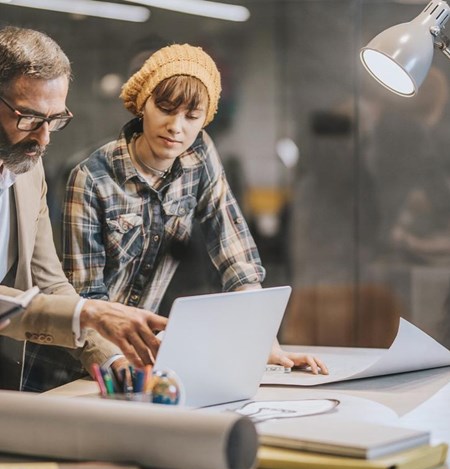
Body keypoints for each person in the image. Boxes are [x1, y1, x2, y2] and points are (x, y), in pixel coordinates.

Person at [63, 43, 328, 374]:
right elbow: (85, 297)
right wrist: (114, 361)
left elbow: (234, 254)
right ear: (142, 104)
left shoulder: (199, 154)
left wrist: (266, 346)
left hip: (136, 358)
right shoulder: (91, 177)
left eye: (191, 116)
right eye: (165, 108)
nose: (177, 127)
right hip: (80, 359)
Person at [0, 26, 167, 391]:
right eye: (28, 118)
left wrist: (112, 357)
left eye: (55, 120)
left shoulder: (26, 170)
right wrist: (88, 312)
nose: (44, 138)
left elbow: (49, 282)